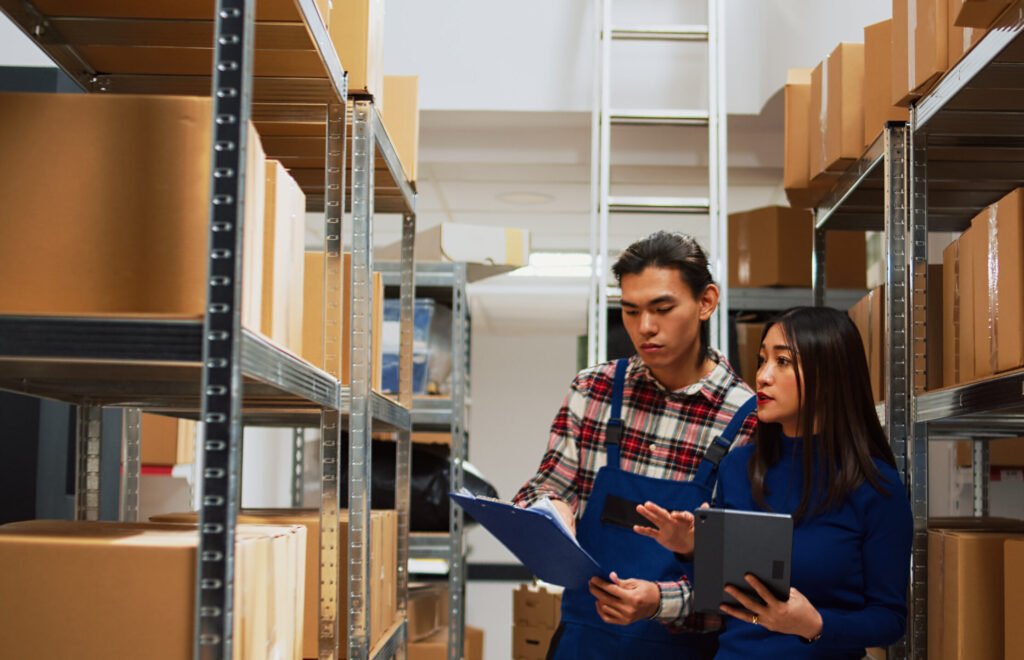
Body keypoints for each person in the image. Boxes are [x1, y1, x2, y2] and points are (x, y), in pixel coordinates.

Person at [513, 231, 757, 659]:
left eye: (662, 309)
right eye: (630, 311)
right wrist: (548, 509)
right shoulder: (595, 390)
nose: (645, 327)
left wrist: (658, 602)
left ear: (706, 302)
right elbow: (546, 486)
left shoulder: (747, 419)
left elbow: (745, 575)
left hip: (682, 649)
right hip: (583, 641)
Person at [635, 306, 913, 658]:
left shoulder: (876, 486)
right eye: (762, 359)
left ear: (830, 374)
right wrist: (690, 548)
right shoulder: (739, 466)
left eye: (782, 362)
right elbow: (721, 597)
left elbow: (889, 620)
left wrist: (814, 624)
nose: (763, 376)